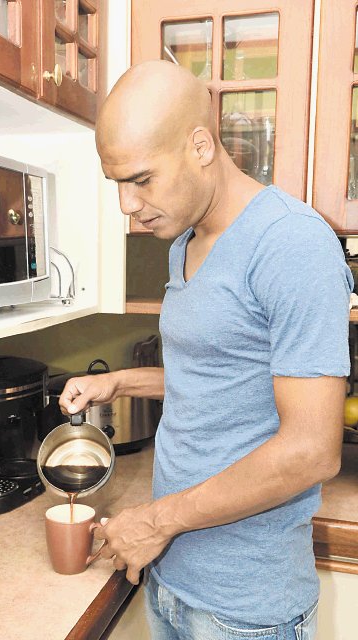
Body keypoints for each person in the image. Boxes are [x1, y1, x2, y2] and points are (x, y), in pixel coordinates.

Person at [59, 61, 353, 640]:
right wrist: (119, 382)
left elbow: (313, 450)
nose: (126, 204)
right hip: (171, 580)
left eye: (141, 179)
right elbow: (221, 376)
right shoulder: (185, 243)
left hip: (243, 609)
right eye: (116, 183)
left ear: (200, 145)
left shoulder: (290, 244)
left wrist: (154, 521)